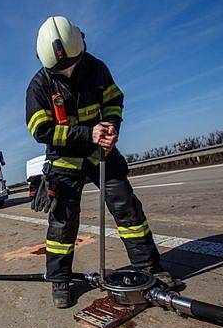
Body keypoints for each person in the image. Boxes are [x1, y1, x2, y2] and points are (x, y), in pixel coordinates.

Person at [26, 16, 173, 308]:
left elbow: (114, 101)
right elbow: (41, 130)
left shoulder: (96, 68)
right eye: (60, 68)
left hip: (100, 153)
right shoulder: (38, 86)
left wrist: (111, 126)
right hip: (64, 161)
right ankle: (60, 280)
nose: (68, 71)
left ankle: (150, 268)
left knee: (127, 208)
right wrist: (88, 133)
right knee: (62, 224)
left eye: (72, 63)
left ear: (81, 46)